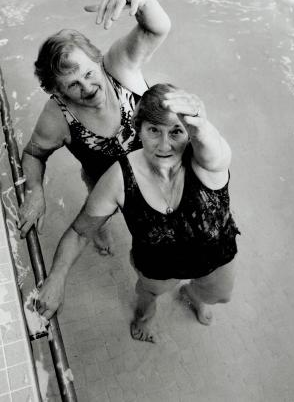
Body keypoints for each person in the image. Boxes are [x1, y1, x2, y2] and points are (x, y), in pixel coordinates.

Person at [36, 84, 241, 343]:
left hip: (215, 256)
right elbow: (79, 232)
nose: (165, 145)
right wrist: (57, 276)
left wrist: (201, 124)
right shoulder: (119, 178)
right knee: (149, 295)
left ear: (190, 133)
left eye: (176, 131)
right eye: (154, 130)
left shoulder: (207, 162)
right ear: (138, 129)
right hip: (157, 266)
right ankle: (145, 315)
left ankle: (194, 293)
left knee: (220, 295)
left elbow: (217, 152)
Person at [18, 0, 171, 253]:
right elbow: (33, 154)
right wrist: (35, 190)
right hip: (102, 181)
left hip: (157, 163)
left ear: (97, 59)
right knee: (99, 204)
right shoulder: (58, 116)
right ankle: (99, 225)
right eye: (72, 85)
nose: (87, 88)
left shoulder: (120, 67)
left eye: (89, 73)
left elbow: (156, 29)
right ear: (57, 91)